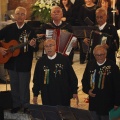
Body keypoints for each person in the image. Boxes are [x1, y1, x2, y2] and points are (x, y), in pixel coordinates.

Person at [0, 6, 39, 113]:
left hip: (24, 62)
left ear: (25, 16)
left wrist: (33, 44)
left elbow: (36, 47)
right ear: (14, 16)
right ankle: (16, 105)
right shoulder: (9, 28)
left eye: (22, 14)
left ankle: (26, 105)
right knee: (14, 84)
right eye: (18, 14)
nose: (20, 16)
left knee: (24, 86)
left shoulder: (30, 31)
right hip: (11, 62)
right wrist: (1, 48)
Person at [32, 39, 78, 106]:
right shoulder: (41, 62)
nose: (49, 48)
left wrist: (74, 91)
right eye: (46, 46)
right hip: (47, 94)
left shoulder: (64, 59)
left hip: (62, 94)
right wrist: (35, 94)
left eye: (51, 45)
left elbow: (72, 76)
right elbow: (37, 79)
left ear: (55, 46)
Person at [81, 45, 120, 120]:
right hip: (94, 103)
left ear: (105, 54)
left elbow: (117, 85)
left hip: (108, 103)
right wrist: (88, 90)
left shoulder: (113, 66)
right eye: (97, 55)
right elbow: (84, 80)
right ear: (94, 55)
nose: (99, 57)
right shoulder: (90, 64)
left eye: (101, 55)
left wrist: (117, 102)